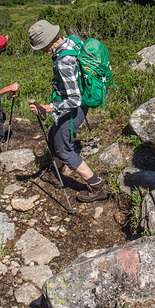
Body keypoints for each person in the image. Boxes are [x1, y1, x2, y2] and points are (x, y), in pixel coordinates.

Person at [28, 19, 107, 203]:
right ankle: (55, 173)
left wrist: (48, 108)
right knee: (53, 136)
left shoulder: (64, 61)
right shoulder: (72, 41)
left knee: (64, 150)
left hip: (72, 110)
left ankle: (96, 186)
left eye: (40, 46)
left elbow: (74, 100)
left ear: (48, 43)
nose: (40, 50)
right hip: (78, 105)